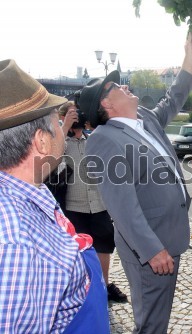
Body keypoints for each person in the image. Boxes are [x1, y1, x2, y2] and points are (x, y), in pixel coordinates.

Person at [78, 33, 192, 334]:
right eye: (116, 86)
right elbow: (122, 205)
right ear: (106, 103)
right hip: (151, 249)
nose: (125, 85)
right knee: (151, 326)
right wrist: (151, 250)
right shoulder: (104, 140)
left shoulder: (144, 118)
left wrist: (189, 59)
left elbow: (173, 100)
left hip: (170, 238)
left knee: (159, 318)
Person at [0, 59, 110, 332]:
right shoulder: (17, 244)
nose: (61, 126)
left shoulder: (30, 193)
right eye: (56, 121)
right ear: (41, 141)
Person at [59, 101, 127, 303]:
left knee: (103, 245)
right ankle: (81, 289)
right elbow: (50, 156)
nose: (76, 118)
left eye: (78, 114)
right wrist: (64, 127)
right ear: (63, 118)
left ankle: (104, 285)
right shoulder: (60, 142)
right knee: (78, 249)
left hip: (98, 203)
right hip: (73, 206)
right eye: (72, 114)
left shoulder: (93, 139)